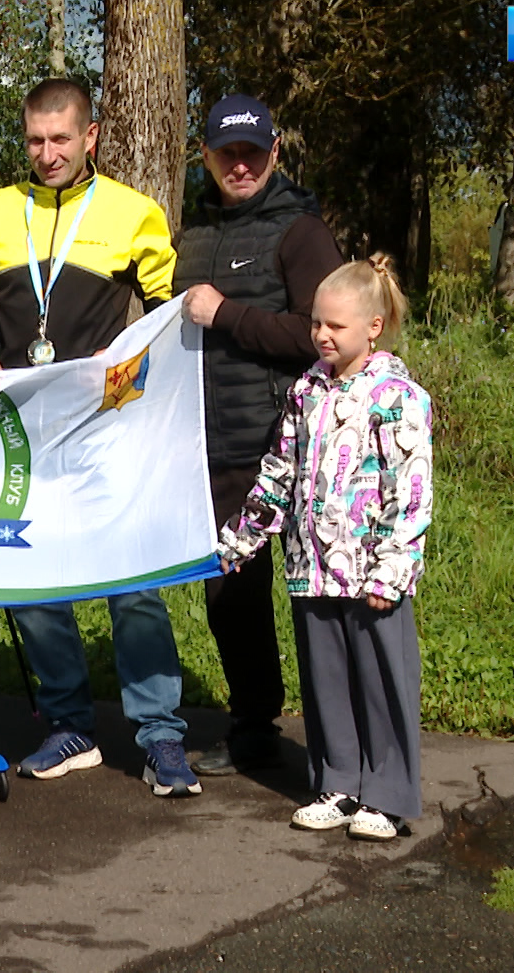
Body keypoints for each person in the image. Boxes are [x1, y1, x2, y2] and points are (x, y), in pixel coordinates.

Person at [0, 77, 198, 797]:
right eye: (35, 140)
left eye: (61, 139)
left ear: (90, 136)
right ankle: (69, 724)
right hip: (22, 427)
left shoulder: (134, 213)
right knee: (32, 576)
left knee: (133, 579)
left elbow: (165, 320)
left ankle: (160, 734)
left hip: (103, 425)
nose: (48, 153)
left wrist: (129, 377)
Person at [218, 254, 432, 842]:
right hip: (312, 568)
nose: (321, 335)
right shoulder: (305, 390)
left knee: (380, 681)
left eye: (336, 325)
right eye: (316, 322)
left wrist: (393, 569)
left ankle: (386, 795)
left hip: (371, 576)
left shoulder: (398, 396)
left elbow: (411, 490)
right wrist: (242, 538)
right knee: (326, 679)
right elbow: (278, 472)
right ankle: (338, 783)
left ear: (373, 326)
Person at [172, 94, 345, 777]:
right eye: (226, 153)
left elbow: (318, 336)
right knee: (232, 597)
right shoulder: (191, 233)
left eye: (251, 152)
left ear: (274, 152)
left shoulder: (301, 233)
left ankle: (339, 748)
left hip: (291, 446)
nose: (239, 165)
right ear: (207, 156)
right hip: (213, 448)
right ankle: (253, 728)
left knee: (316, 596)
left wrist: (227, 314)